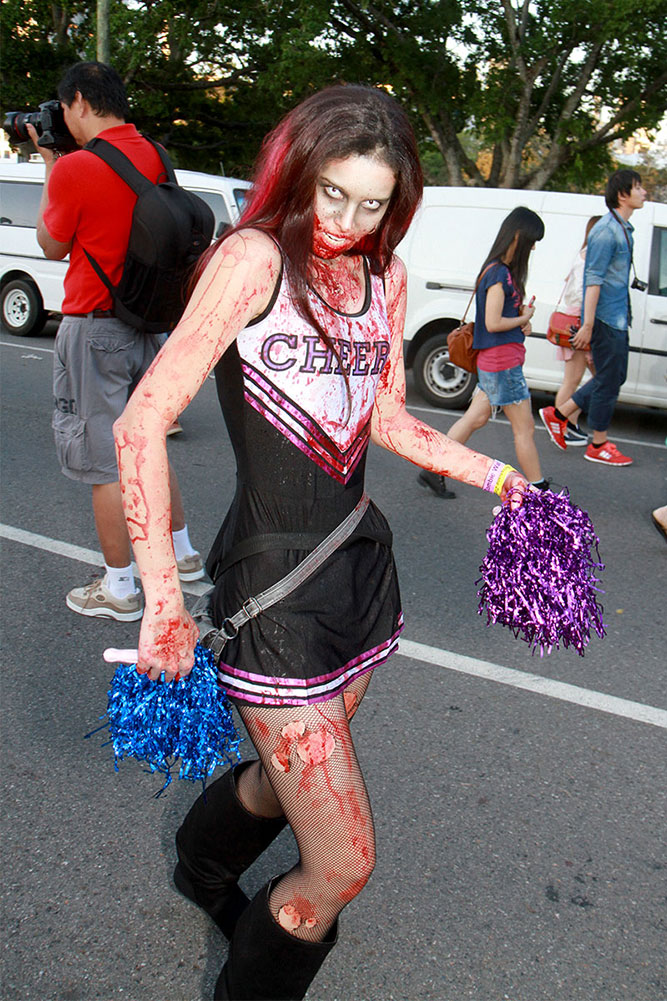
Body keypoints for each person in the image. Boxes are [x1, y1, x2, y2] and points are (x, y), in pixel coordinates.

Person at [113, 85, 528, 1001]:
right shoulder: (252, 260)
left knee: (279, 772)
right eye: (332, 193)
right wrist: (164, 599)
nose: (346, 220)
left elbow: (383, 416)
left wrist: (503, 480)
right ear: (300, 174)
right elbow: (141, 423)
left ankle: (200, 869)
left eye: (371, 202)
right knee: (341, 864)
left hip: (357, 571)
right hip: (271, 592)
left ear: (398, 199)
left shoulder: (388, 275)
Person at [28, 61, 204, 622]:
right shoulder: (156, 156)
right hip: (151, 324)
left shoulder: (75, 167)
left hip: (95, 326)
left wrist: (52, 163)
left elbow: (51, 246)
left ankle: (121, 587)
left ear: (79, 100)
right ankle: (184, 556)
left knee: (104, 461)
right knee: (148, 443)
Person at [430, 207, 549, 493]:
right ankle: (539, 490)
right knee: (525, 430)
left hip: (495, 362)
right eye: (532, 240)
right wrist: (524, 318)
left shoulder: (499, 271)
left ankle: (433, 469)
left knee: (475, 417)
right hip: (503, 364)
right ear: (518, 236)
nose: (533, 247)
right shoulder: (499, 274)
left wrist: (521, 322)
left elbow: (499, 321)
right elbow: (493, 323)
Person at [539, 169, 647, 466]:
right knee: (609, 379)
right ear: (622, 194)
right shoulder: (606, 231)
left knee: (614, 377)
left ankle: (558, 414)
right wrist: (587, 324)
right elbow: (593, 279)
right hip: (605, 320)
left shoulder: (623, 229)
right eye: (638, 188)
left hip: (617, 317)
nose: (644, 193)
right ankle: (598, 443)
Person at [550, 215, 602, 445]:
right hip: (578, 321)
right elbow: (583, 293)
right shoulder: (589, 257)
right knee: (573, 379)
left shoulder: (583, 255)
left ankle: (569, 422)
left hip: (579, 319)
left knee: (595, 376)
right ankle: (561, 424)